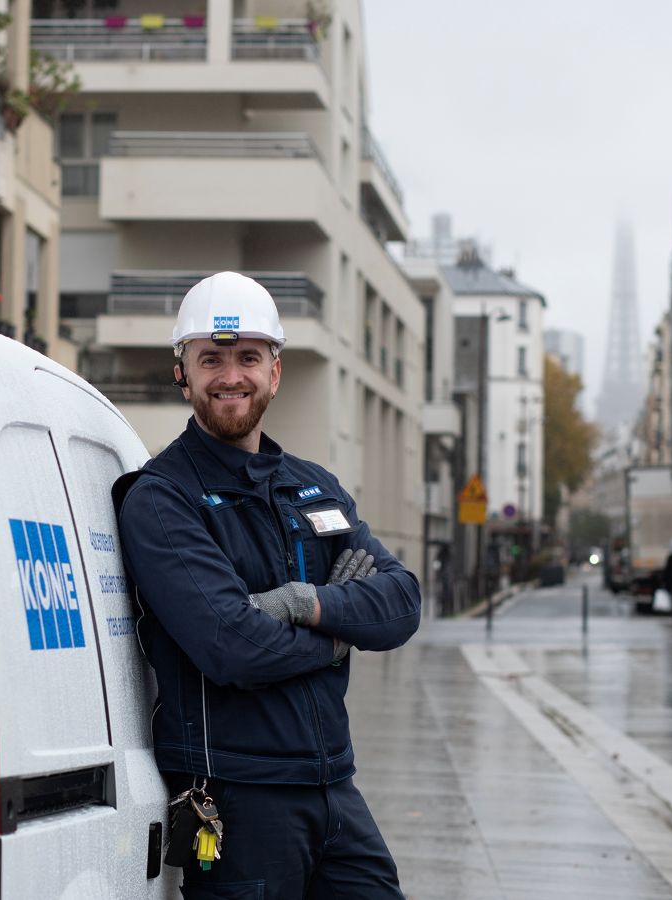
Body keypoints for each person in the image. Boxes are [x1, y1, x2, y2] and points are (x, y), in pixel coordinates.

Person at [112, 272, 421, 899]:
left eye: (249, 357)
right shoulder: (163, 499)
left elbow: (401, 601)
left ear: (275, 373)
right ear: (184, 373)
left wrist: (305, 603)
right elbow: (231, 643)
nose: (231, 376)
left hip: (335, 788)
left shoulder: (315, 488)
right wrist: (337, 638)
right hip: (236, 799)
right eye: (211, 359)